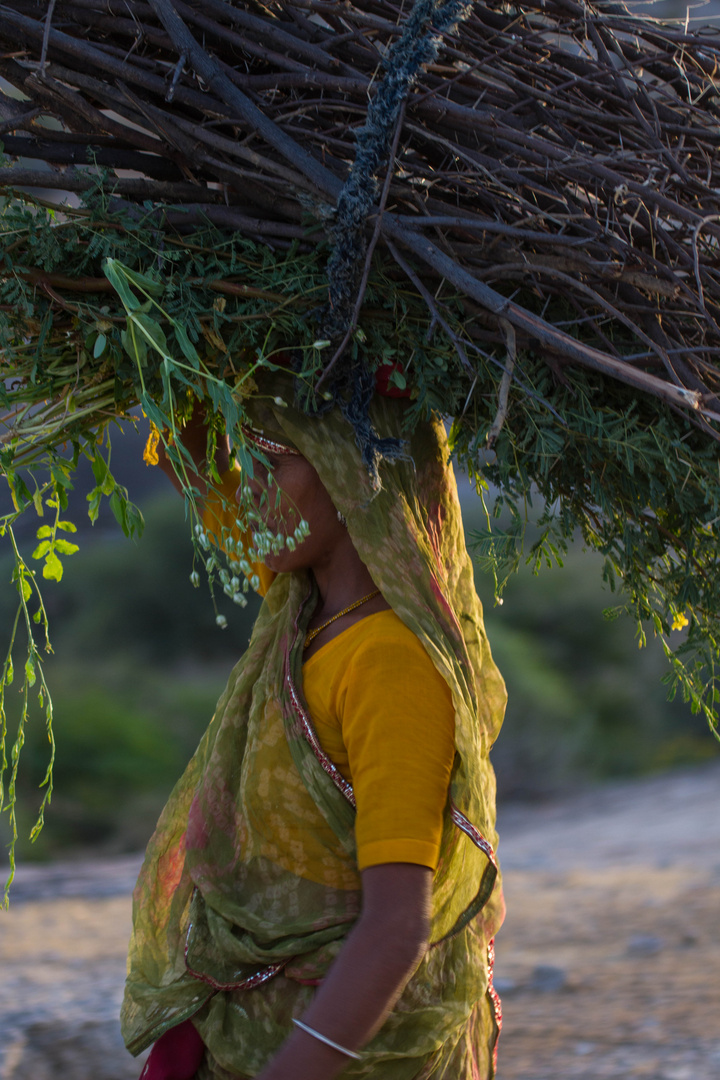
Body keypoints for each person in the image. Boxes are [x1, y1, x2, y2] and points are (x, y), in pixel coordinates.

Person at [122, 381, 507, 1080]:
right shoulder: (303, 609)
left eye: (271, 464)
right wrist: (164, 358)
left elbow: (396, 928)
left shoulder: (389, 661)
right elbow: (204, 474)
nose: (250, 487)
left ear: (352, 473)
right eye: (249, 462)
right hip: (248, 1029)